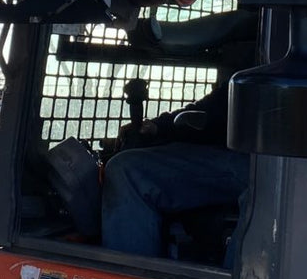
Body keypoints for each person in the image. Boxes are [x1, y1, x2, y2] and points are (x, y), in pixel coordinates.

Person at [100, 60, 252, 260]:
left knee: (273, 192)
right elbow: (216, 108)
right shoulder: (253, 71)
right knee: (125, 169)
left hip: (288, 164)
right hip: (233, 154)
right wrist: (158, 127)